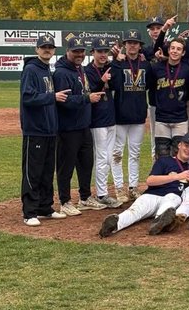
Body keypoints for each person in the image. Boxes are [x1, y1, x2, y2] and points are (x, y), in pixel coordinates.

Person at [99, 132, 189, 237]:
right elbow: (150, 181)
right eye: (186, 145)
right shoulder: (164, 161)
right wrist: (176, 177)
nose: (188, 149)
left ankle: (158, 222)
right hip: (152, 195)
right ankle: (114, 224)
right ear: (179, 145)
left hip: (171, 198)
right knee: (135, 211)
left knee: (172, 199)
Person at [53, 35, 106, 215]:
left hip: (84, 125)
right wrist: (86, 99)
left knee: (86, 164)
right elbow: (63, 100)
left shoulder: (79, 69)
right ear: (67, 51)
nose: (79, 54)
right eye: (75, 51)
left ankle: (84, 198)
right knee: (66, 166)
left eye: (81, 51)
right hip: (68, 128)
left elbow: (85, 91)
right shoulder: (61, 73)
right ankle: (65, 201)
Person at [19, 33, 68, 225]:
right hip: (35, 130)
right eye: (43, 47)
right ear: (36, 49)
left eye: (50, 47)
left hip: (49, 129)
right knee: (33, 172)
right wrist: (52, 97)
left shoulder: (47, 69)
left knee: (48, 171)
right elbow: (28, 98)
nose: (47, 49)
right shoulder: (31, 69)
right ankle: (29, 212)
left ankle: (45, 207)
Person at [83, 37, 124, 208]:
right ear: (92, 52)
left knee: (108, 157)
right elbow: (91, 92)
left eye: (104, 51)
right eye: (99, 51)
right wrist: (102, 81)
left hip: (110, 118)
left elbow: (118, 85)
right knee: (102, 158)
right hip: (97, 120)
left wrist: (115, 64)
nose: (102, 55)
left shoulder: (109, 67)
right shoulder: (88, 70)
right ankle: (101, 194)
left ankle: (103, 193)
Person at [110, 29, 149, 201]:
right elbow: (113, 84)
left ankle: (133, 187)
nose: (132, 45)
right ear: (124, 45)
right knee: (117, 153)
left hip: (138, 116)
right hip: (119, 116)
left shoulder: (145, 65)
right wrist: (116, 62)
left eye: (135, 43)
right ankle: (119, 187)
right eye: (129, 42)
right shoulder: (118, 64)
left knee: (135, 153)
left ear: (140, 46)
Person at [148, 35, 189, 157]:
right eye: (172, 48)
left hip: (180, 118)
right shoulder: (157, 68)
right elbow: (151, 87)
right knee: (162, 154)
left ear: (183, 53)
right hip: (161, 118)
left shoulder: (187, 69)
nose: (175, 51)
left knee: (178, 154)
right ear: (168, 50)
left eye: (178, 49)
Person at [143, 16, 166, 160]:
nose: (156, 31)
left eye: (158, 28)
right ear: (149, 32)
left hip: (171, 99)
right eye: (153, 29)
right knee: (155, 138)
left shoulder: (171, 47)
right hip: (154, 99)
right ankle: (155, 169)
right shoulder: (146, 51)